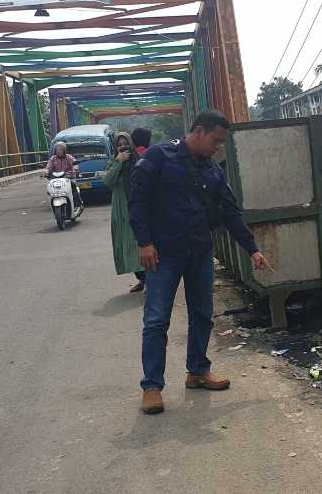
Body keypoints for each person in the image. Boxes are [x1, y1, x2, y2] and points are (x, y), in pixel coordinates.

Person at [130, 110, 272, 415]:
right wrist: (144, 242)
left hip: (199, 253)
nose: (218, 147)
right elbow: (137, 200)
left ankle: (197, 371)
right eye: (215, 141)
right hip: (163, 254)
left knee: (203, 314)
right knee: (156, 320)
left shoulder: (212, 170)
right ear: (198, 131)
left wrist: (252, 249)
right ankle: (152, 387)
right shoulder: (159, 157)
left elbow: (230, 211)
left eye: (221, 143)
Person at [104, 132, 146, 293]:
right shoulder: (113, 163)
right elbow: (108, 181)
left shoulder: (140, 162)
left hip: (137, 209)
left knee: (139, 245)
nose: (123, 147)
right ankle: (142, 279)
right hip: (121, 212)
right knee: (126, 247)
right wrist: (118, 162)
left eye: (125, 143)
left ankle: (148, 279)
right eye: (119, 144)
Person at [45, 141, 84, 208]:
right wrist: (46, 171)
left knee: (73, 187)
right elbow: (49, 166)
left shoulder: (69, 157)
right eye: (57, 150)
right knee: (49, 188)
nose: (59, 151)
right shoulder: (53, 159)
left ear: (64, 150)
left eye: (60, 150)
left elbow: (74, 163)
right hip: (56, 179)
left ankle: (78, 203)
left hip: (68, 178)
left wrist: (75, 169)